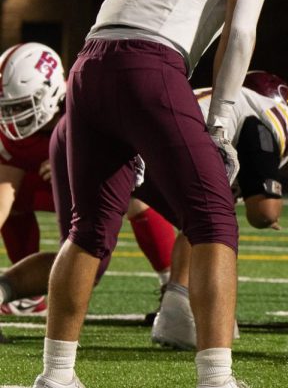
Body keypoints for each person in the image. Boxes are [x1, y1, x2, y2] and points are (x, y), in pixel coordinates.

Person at [32, 0, 288, 388]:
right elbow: (241, 31)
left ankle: (56, 374)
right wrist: (221, 121)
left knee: (87, 229)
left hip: (90, 63)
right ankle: (217, 378)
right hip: (152, 65)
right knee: (214, 218)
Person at [0, 44, 176, 317]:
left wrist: (71, 158)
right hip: (50, 186)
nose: (13, 118)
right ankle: (28, 293)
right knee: (16, 198)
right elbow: (4, 191)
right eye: (8, 108)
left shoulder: (89, 101)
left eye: (21, 106)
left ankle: (172, 285)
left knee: (134, 196)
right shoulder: (16, 134)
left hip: (101, 179)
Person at [149, 71, 288, 350]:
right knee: (215, 222)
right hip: (171, 144)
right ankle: (183, 312)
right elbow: (263, 212)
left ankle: (176, 304)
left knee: (196, 218)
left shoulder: (220, 99)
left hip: (135, 136)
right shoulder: (259, 115)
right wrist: (268, 209)